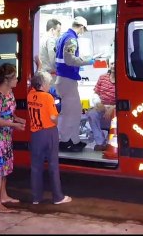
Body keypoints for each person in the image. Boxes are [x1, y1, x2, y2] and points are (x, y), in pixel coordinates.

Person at [0, 63, 26, 213]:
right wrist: (14, 125)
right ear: (7, 79)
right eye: (15, 77)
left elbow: (8, 112)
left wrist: (18, 119)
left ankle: (3, 196)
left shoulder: (9, 92)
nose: (17, 80)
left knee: (5, 167)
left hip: (5, 136)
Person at [27, 71, 72, 205]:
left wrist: (38, 65)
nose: (49, 85)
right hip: (49, 133)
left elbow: (35, 80)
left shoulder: (30, 95)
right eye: (47, 83)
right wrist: (57, 118)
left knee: (36, 167)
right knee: (53, 165)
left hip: (35, 134)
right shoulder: (48, 97)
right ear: (42, 84)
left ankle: (36, 197)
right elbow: (53, 118)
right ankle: (58, 197)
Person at [55, 16, 95, 152]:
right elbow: (70, 60)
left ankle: (74, 140)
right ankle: (65, 141)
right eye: (84, 29)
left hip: (64, 79)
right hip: (67, 79)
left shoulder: (63, 37)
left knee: (74, 112)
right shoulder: (71, 39)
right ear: (81, 27)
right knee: (70, 113)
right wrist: (87, 61)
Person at [87, 63, 116, 151]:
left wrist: (113, 108)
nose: (113, 66)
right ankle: (100, 143)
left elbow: (126, 97)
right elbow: (96, 93)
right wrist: (98, 103)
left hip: (116, 108)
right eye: (112, 63)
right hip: (102, 106)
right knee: (91, 114)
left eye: (116, 63)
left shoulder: (123, 79)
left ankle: (111, 143)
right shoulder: (102, 77)